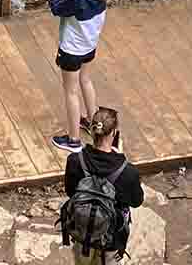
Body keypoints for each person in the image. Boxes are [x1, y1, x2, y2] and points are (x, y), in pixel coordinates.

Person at [59, 106, 142, 265]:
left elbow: (70, 192)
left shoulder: (75, 160)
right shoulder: (128, 172)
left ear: (91, 130)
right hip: (111, 237)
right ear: (114, 133)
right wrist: (121, 158)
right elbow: (136, 201)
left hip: (81, 229)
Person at [47, 0, 108, 152]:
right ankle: (94, 124)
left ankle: (73, 140)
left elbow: (57, 8)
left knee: (71, 92)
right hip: (89, 46)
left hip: (72, 50)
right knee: (86, 80)